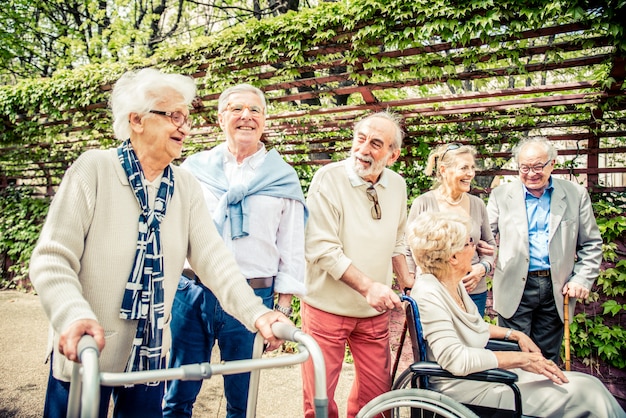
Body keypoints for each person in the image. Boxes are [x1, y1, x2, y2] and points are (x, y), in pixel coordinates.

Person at [29, 68, 290, 418]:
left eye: (187, 117)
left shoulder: (183, 185)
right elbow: (52, 258)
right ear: (136, 120)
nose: (185, 126)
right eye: (174, 116)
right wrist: (72, 315)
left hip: (149, 358)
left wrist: (256, 313)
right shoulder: (94, 169)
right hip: (87, 350)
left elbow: (214, 260)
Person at [163, 84, 307, 418]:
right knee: (177, 391)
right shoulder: (192, 171)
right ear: (220, 117)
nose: (246, 116)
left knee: (243, 398)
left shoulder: (283, 178)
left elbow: (292, 249)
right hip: (192, 291)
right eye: (236, 109)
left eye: (255, 110)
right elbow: (172, 233)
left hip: (254, 297)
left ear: (265, 120)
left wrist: (282, 311)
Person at [406, 211, 625, 417]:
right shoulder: (429, 294)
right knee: (586, 395)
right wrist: (520, 360)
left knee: (589, 384)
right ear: (453, 257)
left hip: (487, 378)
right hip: (470, 390)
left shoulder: (450, 283)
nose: (475, 247)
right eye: (469, 243)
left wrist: (515, 335)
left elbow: (474, 327)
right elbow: (457, 360)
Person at [301, 111, 414, 418]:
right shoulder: (328, 178)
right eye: (360, 139)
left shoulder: (399, 186)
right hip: (326, 308)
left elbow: (397, 240)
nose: (363, 149)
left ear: (392, 155)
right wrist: (369, 287)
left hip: (372, 312)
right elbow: (322, 248)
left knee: (378, 400)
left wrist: (407, 281)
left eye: (375, 143)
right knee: (319, 402)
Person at [487, 137, 603, 362]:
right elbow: (486, 239)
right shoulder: (501, 195)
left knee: (547, 357)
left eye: (538, 167)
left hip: (556, 288)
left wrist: (581, 279)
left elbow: (591, 243)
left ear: (552, 163)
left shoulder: (575, 194)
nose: (531, 173)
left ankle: (545, 397)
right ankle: (516, 398)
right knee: (514, 356)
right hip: (514, 286)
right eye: (524, 167)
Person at [406, 143, 495, 317]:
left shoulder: (477, 204)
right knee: (437, 341)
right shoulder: (423, 203)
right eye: (464, 168)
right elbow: (408, 248)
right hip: (434, 293)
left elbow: (490, 246)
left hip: (473, 291)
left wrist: (483, 268)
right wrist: (410, 285)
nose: (470, 173)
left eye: (472, 168)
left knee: (473, 340)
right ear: (444, 169)